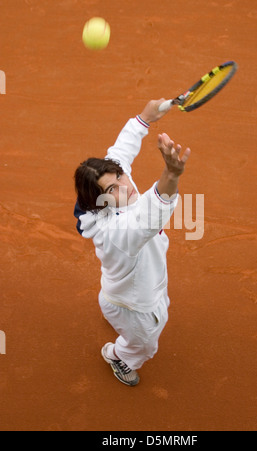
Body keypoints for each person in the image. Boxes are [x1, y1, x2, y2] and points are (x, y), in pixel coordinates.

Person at [74, 99, 191, 386]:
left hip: (135, 287)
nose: (125, 186)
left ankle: (116, 320)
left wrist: (144, 118)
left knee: (157, 303)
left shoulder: (116, 189)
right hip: (136, 305)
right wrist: (171, 175)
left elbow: (120, 152)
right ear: (99, 201)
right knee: (147, 344)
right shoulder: (114, 231)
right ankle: (117, 355)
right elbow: (147, 218)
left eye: (121, 177)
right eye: (112, 188)